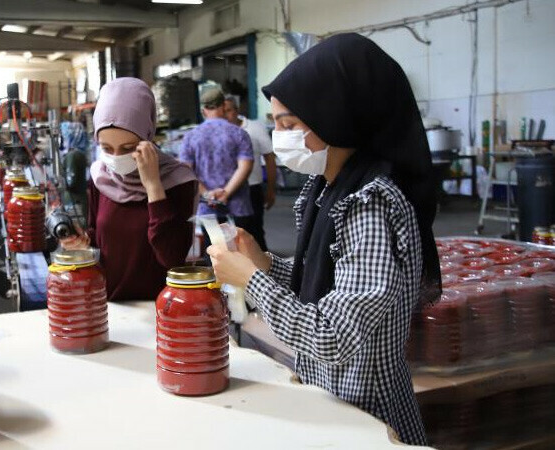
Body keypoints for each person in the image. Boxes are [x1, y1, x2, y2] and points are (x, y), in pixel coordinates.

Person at [206, 34, 440, 446]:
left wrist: (251, 282)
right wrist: (263, 263)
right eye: (276, 124)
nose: (280, 139)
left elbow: (331, 336)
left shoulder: (370, 206)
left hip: (369, 417)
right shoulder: (326, 187)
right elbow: (324, 281)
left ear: (337, 117)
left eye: (290, 125)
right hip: (329, 399)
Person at [61, 78, 198, 301]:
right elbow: (99, 237)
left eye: (128, 148)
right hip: (108, 303)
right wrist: (82, 241)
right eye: (106, 148)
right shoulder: (100, 176)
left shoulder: (177, 180)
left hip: (161, 307)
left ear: (148, 135)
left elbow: (173, 257)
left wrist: (153, 187)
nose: (116, 158)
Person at [179, 88, 254, 234]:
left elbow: (186, 171)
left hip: (207, 208)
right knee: (240, 252)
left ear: (203, 110)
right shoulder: (239, 133)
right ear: (223, 106)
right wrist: (226, 193)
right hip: (238, 207)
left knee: (214, 252)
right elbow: (245, 167)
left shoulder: (190, 136)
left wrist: (207, 194)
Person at [223, 95, 276, 251]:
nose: (226, 115)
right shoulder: (218, 131)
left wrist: (271, 190)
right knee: (228, 236)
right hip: (226, 191)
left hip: (252, 189)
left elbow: (270, 159)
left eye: (229, 110)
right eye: (222, 111)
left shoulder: (254, 128)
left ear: (237, 110)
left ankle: (264, 268)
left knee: (254, 232)